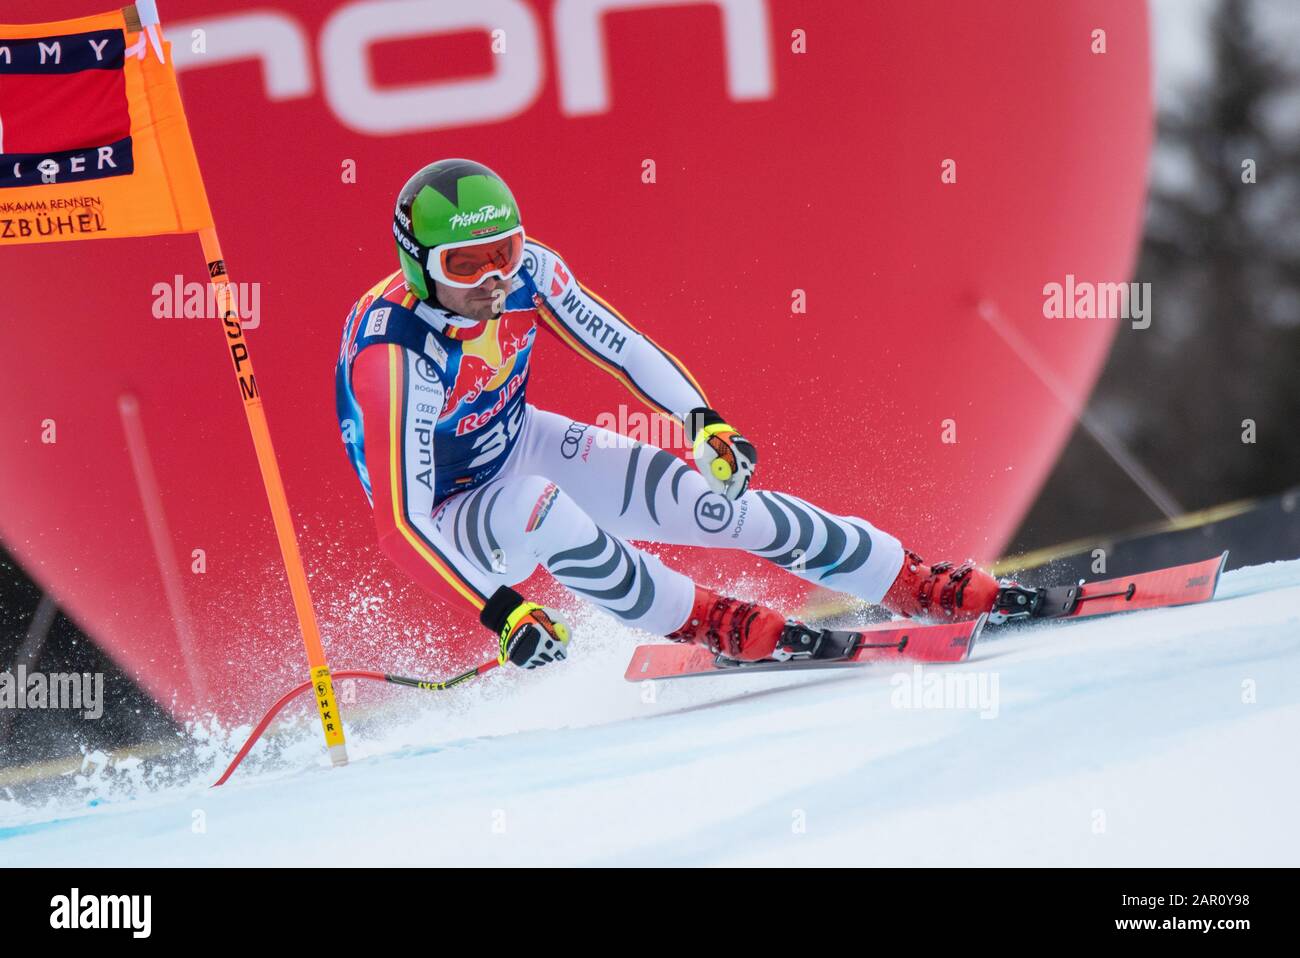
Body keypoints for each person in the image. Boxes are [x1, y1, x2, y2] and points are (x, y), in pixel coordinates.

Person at [335, 159, 1001, 670]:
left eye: (503, 252)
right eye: (465, 264)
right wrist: (502, 612)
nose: (492, 280)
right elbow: (400, 523)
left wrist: (701, 420)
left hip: (516, 438)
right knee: (540, 506)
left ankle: (910, 579)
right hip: (454, 516)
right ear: (418, 266)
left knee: (712, 501)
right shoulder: (395, 357)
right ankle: (708, 620)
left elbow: (621, 346)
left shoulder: (530, 272)